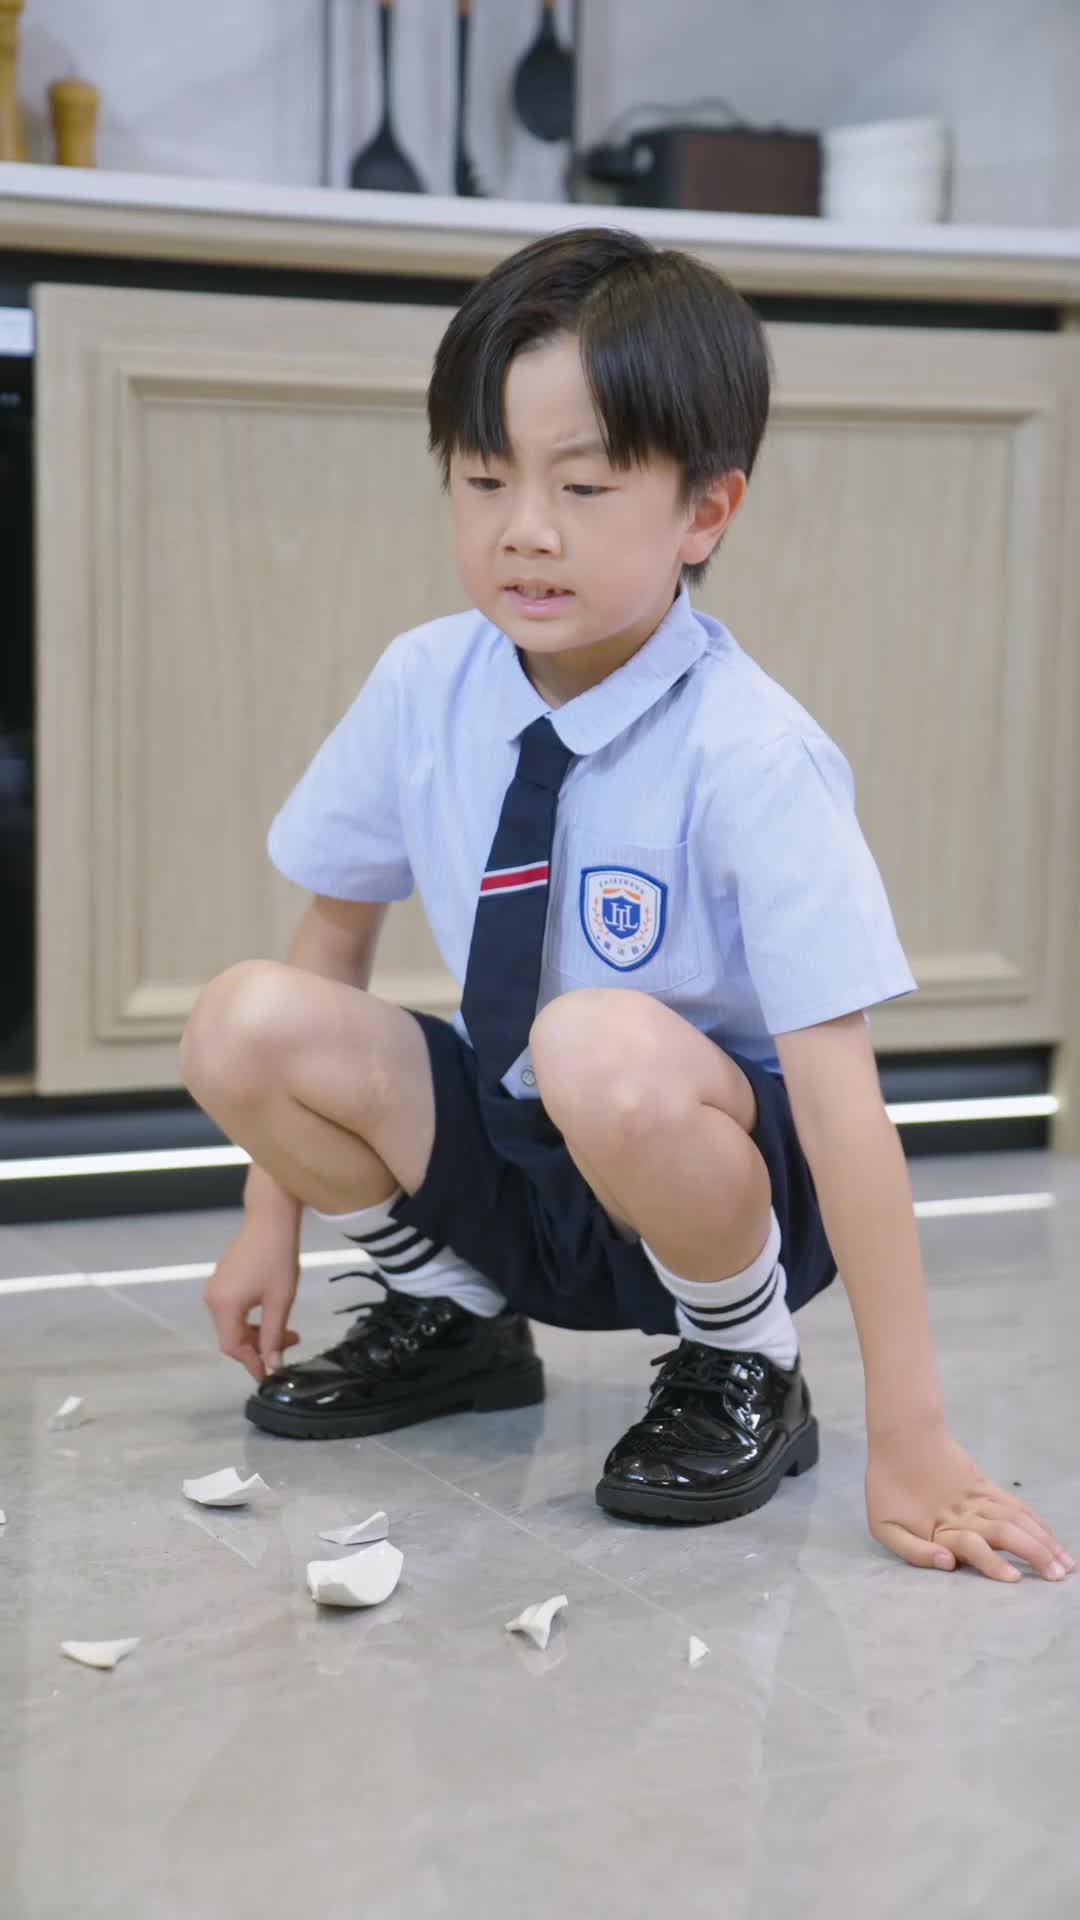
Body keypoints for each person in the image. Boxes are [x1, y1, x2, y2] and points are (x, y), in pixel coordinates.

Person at [179, 227, 1072, 1585]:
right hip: (517, 1140)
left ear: (705, 513)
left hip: (711, 1166)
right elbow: (333, 942)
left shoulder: (752, 751)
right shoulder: (425, 683)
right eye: (485, 478)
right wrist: (269, 1220)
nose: (525, 529)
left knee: (594, 1040)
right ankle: (454, 1312)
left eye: (585, 486)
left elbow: (843, 1102)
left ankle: (741, 1355)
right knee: (242, 1018)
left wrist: (914, 1433)